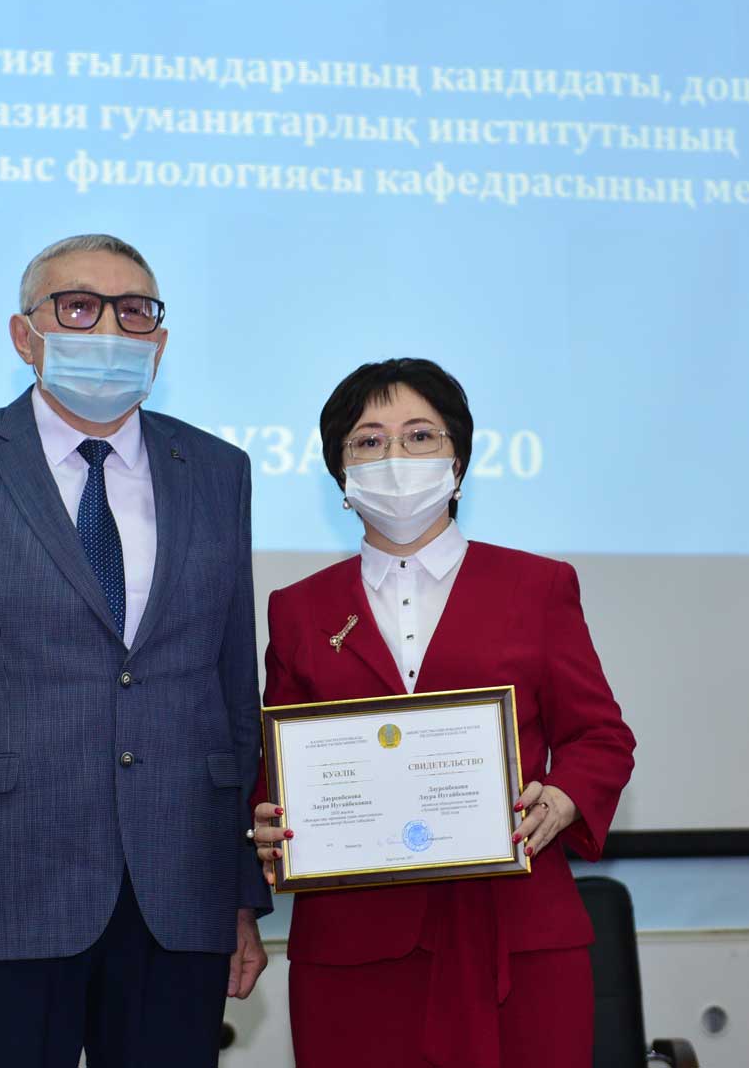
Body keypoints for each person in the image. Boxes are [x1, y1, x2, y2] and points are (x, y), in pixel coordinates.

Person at [0, 233, 270, 1068]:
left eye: (132, 310)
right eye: (77, 307)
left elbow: (229, 695)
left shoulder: (218, 470)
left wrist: (239, 892)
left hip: (179, 898)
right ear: (24, 335)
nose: (107, 328)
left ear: (159, 340)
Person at [252, 358, 635, 1068]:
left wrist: (562, 798)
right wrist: (269, 820)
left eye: (420, 435)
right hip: (354, 950)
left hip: (516, 934)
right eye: (368, 441)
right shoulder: (298, 609)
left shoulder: (537, 586)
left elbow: (601, 736)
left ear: (458, 462)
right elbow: (278, 767)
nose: (394, 457)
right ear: (341, 474)